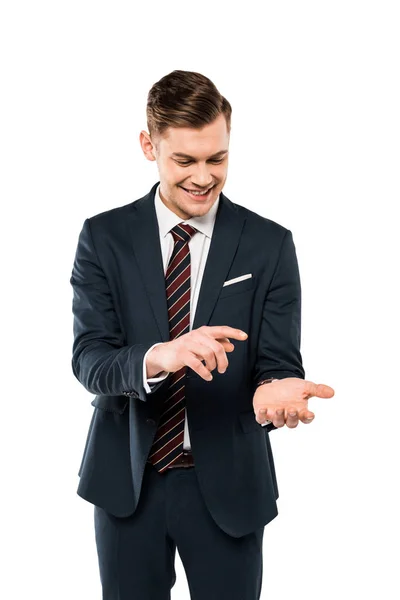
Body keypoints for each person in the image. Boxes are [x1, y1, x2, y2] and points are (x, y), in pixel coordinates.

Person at [70, 69, 335, 600]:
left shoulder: (268, 244)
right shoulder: (104, 237)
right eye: (184, 160)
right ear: (149, 146)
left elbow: (277, 359)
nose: (203, 176)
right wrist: (159, 357)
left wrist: (275, 387)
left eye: (217, 158)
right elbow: (90, 360)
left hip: (230, 486)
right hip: (127, 483)